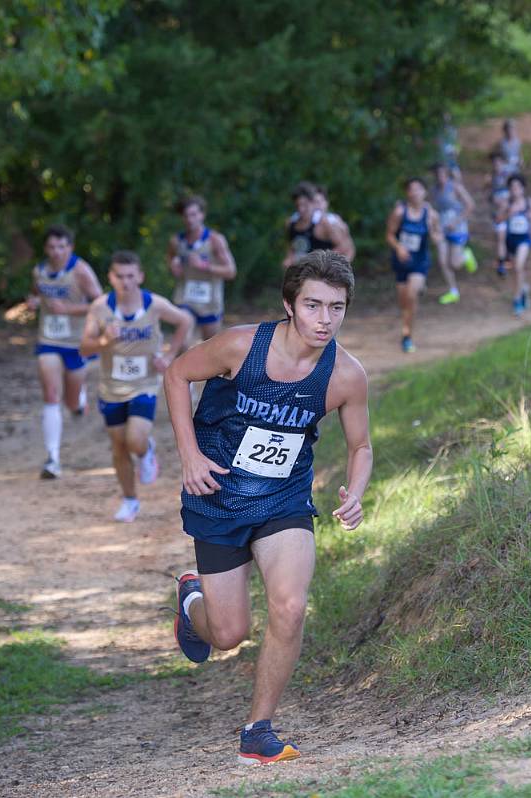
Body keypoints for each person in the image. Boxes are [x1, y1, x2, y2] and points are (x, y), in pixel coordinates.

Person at [165, 250, 372, 765]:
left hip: (284, 499)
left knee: (290, 606)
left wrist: (356, 491)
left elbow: (361, 446)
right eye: (313, 306)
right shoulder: (240, 345)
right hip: (218, 495)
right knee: (229, 634)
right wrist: (190, 455)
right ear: (289, 305)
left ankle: (258, 730)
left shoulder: (345, 375)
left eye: (337, 308)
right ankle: (193, 603)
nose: (325, 320)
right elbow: (175, 375)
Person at [79, 251, 194, 522]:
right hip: (111, 388)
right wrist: (104, 342)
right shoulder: (99, 308)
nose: (126, 282)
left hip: (144, 384)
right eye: (119, 276)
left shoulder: (153, 304)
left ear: (140, 276)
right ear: (110, 277)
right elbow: (84, 347)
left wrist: (169, 355)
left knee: (134, 439)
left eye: (131, 276)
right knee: (119, 446)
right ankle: (130, 500)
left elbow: (185, 320)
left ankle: (146, 451)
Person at [28, 224, 103, 479]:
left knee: (70, 402)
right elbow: (37, 294)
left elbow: (99, 303)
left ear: (70, 247)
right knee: (50, 394)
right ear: (45, 249)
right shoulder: (39, 271)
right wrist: (34, 302)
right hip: (48, 339)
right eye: (51, 247)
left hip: (76, 342)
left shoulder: (80, 271)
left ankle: (78, 399)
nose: (56, 251)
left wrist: (68, 310)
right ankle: (53, 459)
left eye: (61, 246)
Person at [167, 195, 237, 342]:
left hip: (209, 301)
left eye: (193, 214)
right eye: (186, 215)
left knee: (210, 347)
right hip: (185, 297)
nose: (190, 219)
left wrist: (205, 266)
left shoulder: (215, 240)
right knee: (183, 343)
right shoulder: (176, 241)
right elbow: (171, 258)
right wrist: (173, 266)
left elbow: (231, 271)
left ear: (202, 215)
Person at [385, 177, 443, 353]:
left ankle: (407, 335)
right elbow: (389, 235)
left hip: (420, 261)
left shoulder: (431, 215)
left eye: (419, 189)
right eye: (411, 189)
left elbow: (438, 236)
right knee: (404, 301)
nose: (415, 192)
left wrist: (434, 235)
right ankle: (407, 322)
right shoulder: (399, 212)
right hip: (401, 261)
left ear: (425, 192)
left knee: (411, 295)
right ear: (407, 193)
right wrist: (398, 247)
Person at [431, 164, 476, 305]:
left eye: (443, 174)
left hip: (458, 228)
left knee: (455, 263)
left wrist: (456, 222)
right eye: (438, 174)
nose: (440, 177)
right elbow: (433, 210)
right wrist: (435, 227)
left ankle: (466, 255)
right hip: (443, 229)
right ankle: (453, 290)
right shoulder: (434, 191)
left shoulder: (456, 187)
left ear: (447, 174)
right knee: (442, 260)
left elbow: (470, 205)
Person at [282, 182, 351, 269]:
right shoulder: (291, 223)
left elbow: (345, 247)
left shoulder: (325, 223)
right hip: (301, 274)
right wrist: (289, 259)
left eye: (305, 205)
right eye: (298, 205)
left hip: (321, 275)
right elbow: (291, 246)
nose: (301, 209)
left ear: (313, 203)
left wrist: (319, 261)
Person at [499, 174, 531, 316]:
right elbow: (499, 219)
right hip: (510, 240)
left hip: (524, 239)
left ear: (523, 188)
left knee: (519, 266)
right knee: (516, 271)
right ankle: (523, 289)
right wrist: (509, 213)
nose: (515, 189)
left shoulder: (528, 202)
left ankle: (517, 300)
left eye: (518, 187)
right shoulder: (506, 203)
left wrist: (529, 215)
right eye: (512, 187)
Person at [311, 185, 356, 261]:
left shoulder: (335, 219)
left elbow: (349, 247)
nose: (317, 205)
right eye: (314, 202)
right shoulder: (300, 221)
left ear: (326, 203)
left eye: (320, 201)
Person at [488, 151, 513, 276]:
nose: (496, 165)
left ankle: (507, 258)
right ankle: (501, 263)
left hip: (510, 212)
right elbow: (490, 196)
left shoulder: (510, 176)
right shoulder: (491, 178)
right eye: (494, 163)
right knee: (500, 237)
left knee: (507, 237)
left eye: (498, 162)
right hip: (497, 213)